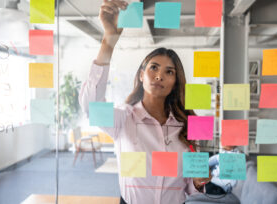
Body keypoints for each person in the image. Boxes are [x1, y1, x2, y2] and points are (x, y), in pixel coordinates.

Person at [79, 0, 210, 203]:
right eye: (153, 68)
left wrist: (198, 182)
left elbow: (191, 187)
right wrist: (109, 40)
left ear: (175, 82)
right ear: (141, 75)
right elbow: (90, 106)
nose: (159, 76)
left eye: (169, 72)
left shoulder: (189, 123)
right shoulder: (125, 118)